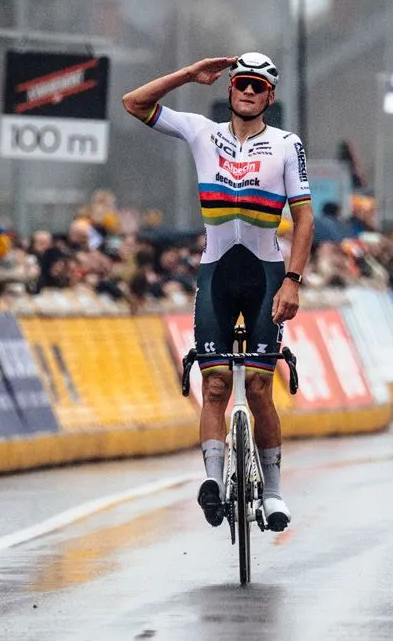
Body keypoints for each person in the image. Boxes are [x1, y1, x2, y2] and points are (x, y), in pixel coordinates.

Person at [122, 51, 311, 533]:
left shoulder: (286, 144)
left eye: (257, 86)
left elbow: (304, 218)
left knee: (261, 387)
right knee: (215, 385)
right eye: (240, 83)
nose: (247, 91)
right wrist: (189, 73)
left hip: (267, 276)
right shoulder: (202, 132)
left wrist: (292, 280)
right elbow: (133, 103)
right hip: (216, 276)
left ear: (270, 95)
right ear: (229, 88)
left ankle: (273, 493)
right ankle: (211, 481)